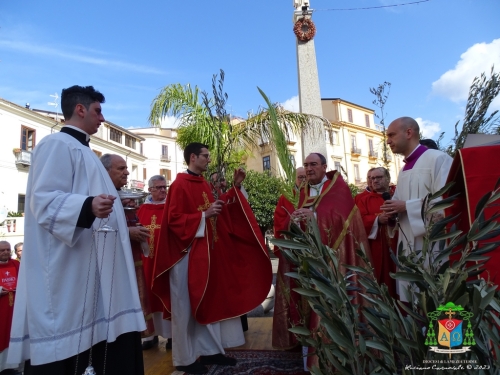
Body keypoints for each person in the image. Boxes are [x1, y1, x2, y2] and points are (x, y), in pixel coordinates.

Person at [8, 85, 145, 375]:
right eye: (98, 110)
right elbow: (43, 201)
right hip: (67, 275)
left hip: (92, 270)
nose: (103, 118)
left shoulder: (85, 152)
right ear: (80, 109)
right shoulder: (56, 145)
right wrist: (88, 206)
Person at [152, 142, 272, 374]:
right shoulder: (179, 184)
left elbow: (218, 210)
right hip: (184, 256)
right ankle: (184, 359)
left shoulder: (203, 183)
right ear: (193, 157)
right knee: (184, 308)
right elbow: (174, 220)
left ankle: (211, 351)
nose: (209, 159)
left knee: (208, 304)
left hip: (206, 255)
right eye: (205, 156)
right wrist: (203, 215)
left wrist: (235, 187)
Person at [290, 153, 372, 368]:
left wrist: (314, 218)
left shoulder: (338, 188)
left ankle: (342, 354)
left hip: (337, 260)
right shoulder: (303, 191)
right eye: (306, 165)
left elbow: (341, 220)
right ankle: (316, 357)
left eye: (313, 165)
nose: (308, 169)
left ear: (325, 166)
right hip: (312, 258)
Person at [381, 117, 452, 300]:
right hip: (408, 248)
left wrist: (405, 206)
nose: (388, 141)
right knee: (415, 304)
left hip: (433, 246)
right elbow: (398, 204)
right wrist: (391, 212)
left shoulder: (438, 159)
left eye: (391, 135)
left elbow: (447, 201)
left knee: (439, 300)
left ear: (409, 132)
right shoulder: (404, 170)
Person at [100, 154, 155, 339]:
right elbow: (98, 229)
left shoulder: (121, 196)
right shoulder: (99, 195)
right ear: (106, 171)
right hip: (111, 264)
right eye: (121, 168)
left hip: (131, 258)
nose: (127, 172)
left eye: (126, 168)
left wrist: (137, 231)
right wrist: (128, 232)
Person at [136, 175, 172, 351]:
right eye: (158, 187)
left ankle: (172, 336)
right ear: (150, 189)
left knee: (168, 297)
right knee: (148, 298)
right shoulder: (141, 210)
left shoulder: (171, 208)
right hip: (146, 263)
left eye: (164, 187)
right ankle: (151, 335)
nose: (163, 190)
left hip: (166, 262)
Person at [272, 167, 306, 350]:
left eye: (305, 176)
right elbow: (278, 223)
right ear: (294, 178)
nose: (303, 179)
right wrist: (291, 221)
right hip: (292, 255)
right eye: (300, 176)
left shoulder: (314, 195)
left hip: (311, 253)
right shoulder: (286, 197)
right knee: (293, 295)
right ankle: (292, 337)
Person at [355, 167, 397, 298]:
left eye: (379, 177)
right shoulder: (364, 200)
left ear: (388, 179)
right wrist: (377, 219)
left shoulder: (398, 195)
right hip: (377, 246)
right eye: (372, 178)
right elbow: (357, 221)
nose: (375, 181)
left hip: (398, 243)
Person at [0, 241, 20, 373]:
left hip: (15, 308)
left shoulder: (16, 264)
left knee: (14, 332)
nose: (6, 252)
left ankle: (13, 366)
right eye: (2, 250)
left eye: (7, 250)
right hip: (2, 308)